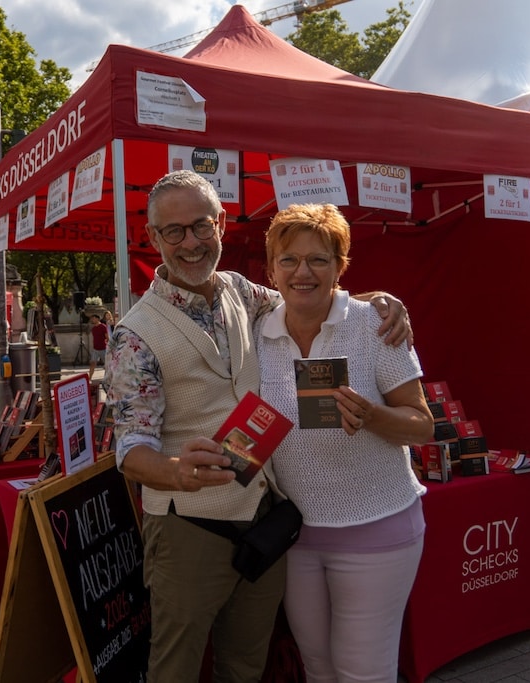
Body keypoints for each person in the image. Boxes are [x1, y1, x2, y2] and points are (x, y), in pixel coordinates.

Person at [105, 170, 411, 681]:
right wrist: (177, 470)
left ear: (221, 224)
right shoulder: (134, 334)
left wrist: (375, 301)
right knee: (176, 668)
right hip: (190, 529)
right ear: (153, 239)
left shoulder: (240, 292)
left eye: (200, 226)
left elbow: (309, 296)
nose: (190, 243)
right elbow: (130, 447)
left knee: (247, 664)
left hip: (263, 518)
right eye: (173, 232)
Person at [256, 204, 433, 683]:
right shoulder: (257, 333)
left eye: (319, 259)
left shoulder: (373, 326)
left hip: (376, 529)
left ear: (340, 266)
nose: (303, 272)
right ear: (271, 269)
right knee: (317, 669)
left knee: (363, 674)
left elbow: (422, 424)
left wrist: (374, 417)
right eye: (288, 259)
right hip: (296, 537)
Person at [87, 313, 108, 379]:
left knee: (107, 364)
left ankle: (108, 378)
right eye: (92, 319)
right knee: (92, 363)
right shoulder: (93, 329)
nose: (92, 320)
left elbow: (107, 337)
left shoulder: (103, 326)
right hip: (95, 349)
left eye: (94, 318)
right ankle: (89, 378)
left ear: (97, 319)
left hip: (103, 348)